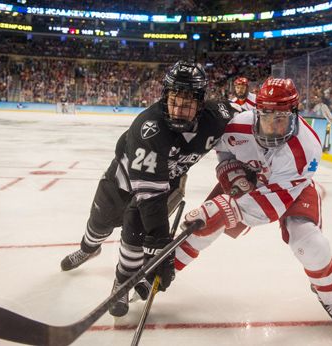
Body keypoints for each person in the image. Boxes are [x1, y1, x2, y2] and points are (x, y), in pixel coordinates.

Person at [176, 77, 332, 335]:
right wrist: (230, 172)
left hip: (291, 189)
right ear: (256, 113)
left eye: (280, 118)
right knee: (204, 226)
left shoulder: (306, 149)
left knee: (310, 244)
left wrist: (224, 209)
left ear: (293, 113)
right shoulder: (238, 126)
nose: (273, 127)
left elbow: (268, 209)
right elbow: (225, 150)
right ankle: (164, 270)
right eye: (266, 117)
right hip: (250, 178)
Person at [60, 60, 239, 317]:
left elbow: (252, 114)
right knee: (100, 223)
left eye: (187, 104)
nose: (178, 110)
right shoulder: (149, 128)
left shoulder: (218, 117)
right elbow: (149, 197)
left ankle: (121, 282)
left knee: (135, 228)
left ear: (200, 103)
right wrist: (161, 247)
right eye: (174, 101)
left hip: (166, 183)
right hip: (121, 182)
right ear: (165, 96)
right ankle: (88, 249)